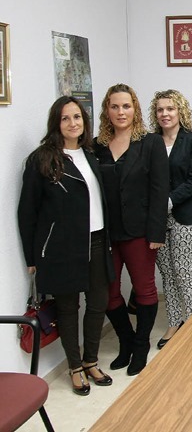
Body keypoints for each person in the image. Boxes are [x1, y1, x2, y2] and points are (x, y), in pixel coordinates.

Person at [18, 96, 114, 396]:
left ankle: (90, 360)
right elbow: (27, 211)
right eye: (65, 118)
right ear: (56, 123)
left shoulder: (92, 154)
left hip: (97, 240)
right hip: (61, 247)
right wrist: (31, 256)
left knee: (98, 303)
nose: (73, 123)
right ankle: (74, 366)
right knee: (68, 308)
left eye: (77, 117)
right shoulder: (43, 159)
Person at [95, 83, 169, 376]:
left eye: (126, 106)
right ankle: (125, 342)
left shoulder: (150, 143)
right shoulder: (96, 145)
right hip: (106, 233)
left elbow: (159, 189)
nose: (120, 112)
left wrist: (156, 233)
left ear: (135, 109)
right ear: (107, 110)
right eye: (115, 106)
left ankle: (141, 346)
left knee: (144, 289)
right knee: (109, 293)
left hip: (140, 232)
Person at [149, 89, 192, 349]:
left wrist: (169, 201)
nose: (165, 114)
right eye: (160, 110)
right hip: (157, 221)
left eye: (170, 109)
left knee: (184, 271)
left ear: (180, 110)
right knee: (167, 273)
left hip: (186, 217)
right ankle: (174, 322)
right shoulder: (150, 142)